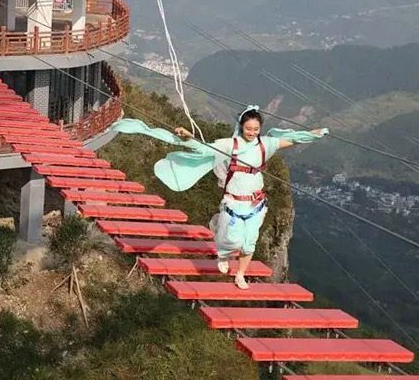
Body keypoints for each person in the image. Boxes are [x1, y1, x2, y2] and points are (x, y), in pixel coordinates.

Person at [110, 106, 327, 289]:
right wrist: (188, 138)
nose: (252, 132)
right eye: (248, 128)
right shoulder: (230, 145)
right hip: (234, 201)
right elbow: (205, 149)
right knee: (232, 240)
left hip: (255, 202)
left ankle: (240, 274)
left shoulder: (266, 144)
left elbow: (292, 140)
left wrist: (314, 134)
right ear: (241, 126)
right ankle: (223, 253)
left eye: (256, 129)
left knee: (249, 242)